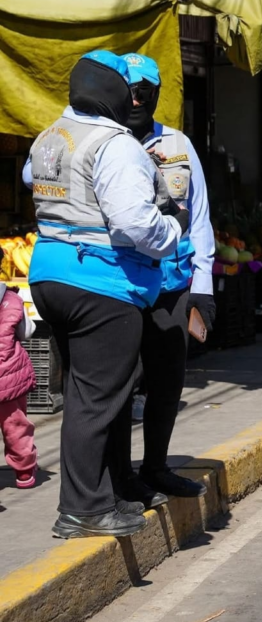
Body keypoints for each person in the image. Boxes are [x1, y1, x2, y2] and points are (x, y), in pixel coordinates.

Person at [24, 51, 187, 538]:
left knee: (85, 396)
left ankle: (101, 497)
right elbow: (135, 222)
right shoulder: (115, 145)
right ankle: (84, 509)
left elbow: (34, 181)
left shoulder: (51, 136)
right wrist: (173, 230)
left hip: (51, 276)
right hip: (102, 282)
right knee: (97, 401)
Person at [105, 53, 216, 509]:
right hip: (120, 284)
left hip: (171, 286)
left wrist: (203, 287)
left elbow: (200, 218)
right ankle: (118, 479)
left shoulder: (178, 144)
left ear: (155, 95)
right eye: (129, 91)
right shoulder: (103, 141)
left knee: (167, 382)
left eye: (144, 92)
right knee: (118, 386)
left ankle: (154, 467)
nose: (135, 100)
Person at [0, 263, 38, 489]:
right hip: (9, 376)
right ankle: (24, 471)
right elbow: (26, 331)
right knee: (16, 426)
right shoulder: (12, 299)